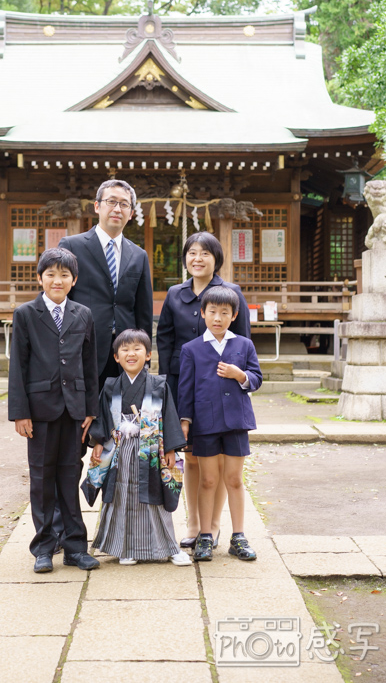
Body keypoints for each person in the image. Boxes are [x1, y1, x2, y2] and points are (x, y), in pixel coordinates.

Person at [8, 248, 100, 573]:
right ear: (39, 278)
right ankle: (44, 547)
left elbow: (90, 366)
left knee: (69, 475)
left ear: (73, 280)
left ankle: (76, 546)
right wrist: (20, 412)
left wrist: (91, 408)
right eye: (51, 274)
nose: (57, 280)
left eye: (64, 275)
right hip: (40, 410)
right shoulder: (26, 314)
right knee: (42, 478)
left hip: (75, 410)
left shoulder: (83, 314)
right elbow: (17, 367)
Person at [156, 231, 250, 549]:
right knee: (192, 459)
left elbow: (243, 345)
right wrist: (167, 388)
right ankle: (195, 525)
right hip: (185, 391)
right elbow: (165, 342)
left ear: (216, 258)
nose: (198, 259)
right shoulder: (173, 295)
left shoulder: (231, 292)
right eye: (192, 253)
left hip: (222, 392)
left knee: (220, 461)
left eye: (205, 253)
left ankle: (214, 525)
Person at [85, 328, 191, 566]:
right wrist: (99, 442)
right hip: (120, 450)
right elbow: (102, 416)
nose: (130, 354)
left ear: (148, 355)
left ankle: (169, 547)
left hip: (151, 451)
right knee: (121, 496)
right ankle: (125, 548)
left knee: (155, 496)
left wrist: (171, 449)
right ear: (116, 357)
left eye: (137, 349)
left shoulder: (158, 384)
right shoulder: (111, 385)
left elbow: (169, 416)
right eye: (124, 349)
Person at [178, 286, 262, 562]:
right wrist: (185, 421)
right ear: (202, 313)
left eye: (224, 313)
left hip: (236, 421)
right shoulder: (191, 349)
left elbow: (257, 378)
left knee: (234, 480)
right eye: (212, 312)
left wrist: (241, 375)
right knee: (209, 480)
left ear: (234, 315)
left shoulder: (243, 345)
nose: (218, 318)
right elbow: (185, 388)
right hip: (204, 423)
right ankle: (205, 535)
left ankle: (238, 536)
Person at [59, 179, 153, 390]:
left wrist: (144, 357)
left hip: (125, 350)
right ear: (97, 206)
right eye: (111, 201)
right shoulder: (72, 245)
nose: (117, 209)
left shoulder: (139, 255)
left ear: (131, 213)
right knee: (85, 417)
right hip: (84, 346)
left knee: (124, 418)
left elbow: (143, 310)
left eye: (124, 204)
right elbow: (61, 298)